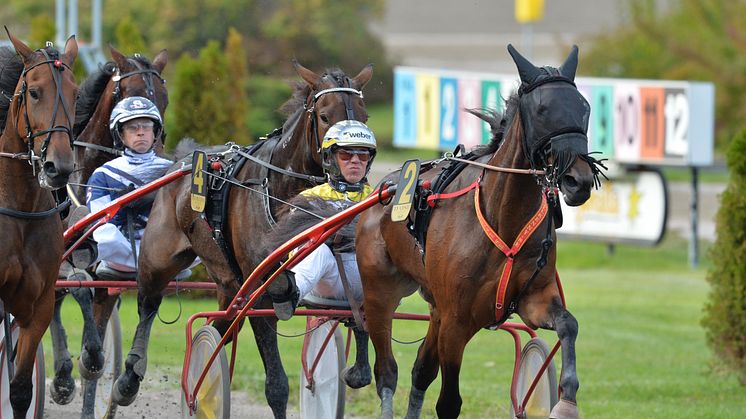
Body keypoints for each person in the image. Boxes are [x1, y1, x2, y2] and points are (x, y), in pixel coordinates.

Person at [270, 119, 377, 320]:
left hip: (368, 284)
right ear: (330, 158)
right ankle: (290, 294)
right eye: (346, 154)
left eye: (363, 154)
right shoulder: (309, 198)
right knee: (318, 250)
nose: (355, 160)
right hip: (325, 281)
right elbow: (296, 250)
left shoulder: (378, 199)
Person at [86, 96, 189, 280]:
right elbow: (99, 221)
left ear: (155, 132)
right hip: (122, 249)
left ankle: (160, 264)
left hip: (164, 246)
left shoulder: (174, 168)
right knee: (103, 237)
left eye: (146, 126)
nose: (141, 132)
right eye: (133, 127)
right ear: (120, 134)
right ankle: (158, 267)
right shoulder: (103, 174)